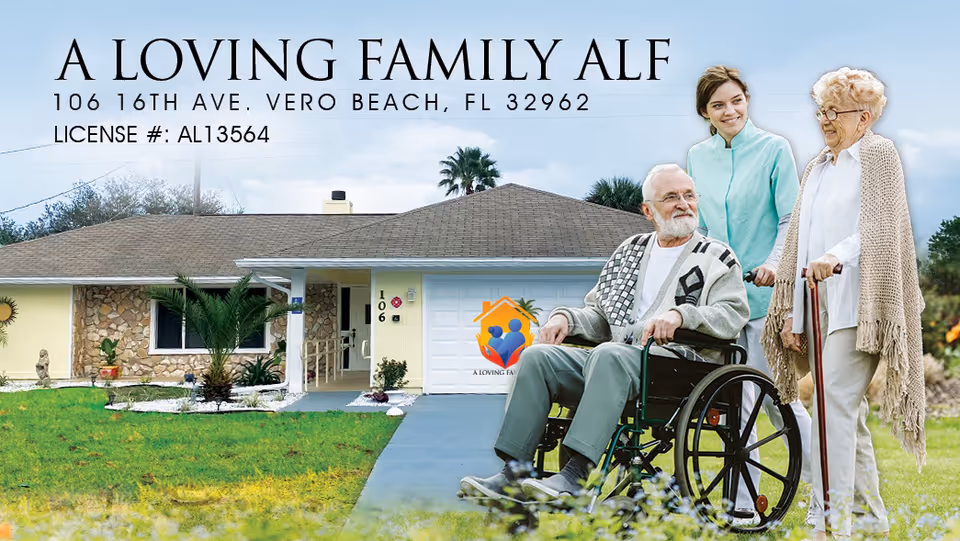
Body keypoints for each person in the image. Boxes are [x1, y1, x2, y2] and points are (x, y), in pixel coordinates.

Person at [459, 164, 750, 502]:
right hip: (615, 364)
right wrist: (566, 319)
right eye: (671, 197)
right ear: (648, 210)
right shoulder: (630, 251)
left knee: (609, 354)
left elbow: (733, 313)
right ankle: (515, 473)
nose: (683, 204)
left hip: (679, 369)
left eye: (689, 195)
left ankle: (576, 474)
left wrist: (682, 315)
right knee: (537, 357)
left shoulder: (716, 256)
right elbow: (600, 314)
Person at [760, 67, 926, 539]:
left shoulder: (878, 155)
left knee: (833, 403)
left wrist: (837, 256)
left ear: (864, 117)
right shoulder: (817, 167)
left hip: (861, 303)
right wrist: (791, 312)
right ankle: (872, 520)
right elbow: (799, 243)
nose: (825, 120)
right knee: (843, 413)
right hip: (816, 303)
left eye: (835, 111)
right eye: (821, 111)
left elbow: (881, 226)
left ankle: (830, 521)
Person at [685, 65, 817, 525]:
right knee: (735, 404)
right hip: (722, 304)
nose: (730, 111)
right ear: (705, 112)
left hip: (765, 298)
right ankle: (743, 504)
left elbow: (790, 220)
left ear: (747, 100)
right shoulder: (697, 157)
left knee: (780, 401)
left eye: (736, 100)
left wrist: (775, 265)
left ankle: (829, 492)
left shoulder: (774, 149)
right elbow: (701, 228)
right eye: (718, 105)